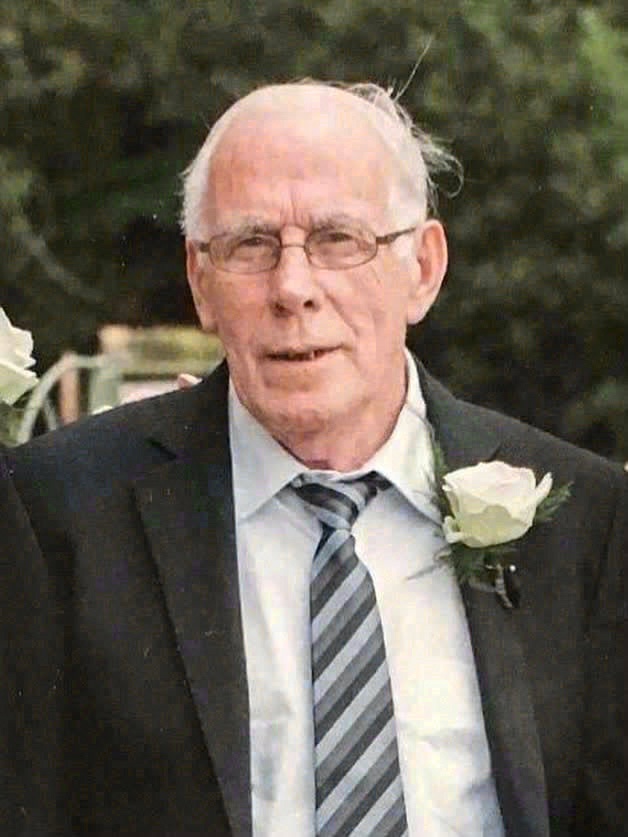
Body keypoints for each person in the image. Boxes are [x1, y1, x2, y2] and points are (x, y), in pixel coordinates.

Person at [1, 80, 626, 836]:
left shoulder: (587, 523)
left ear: (423, 268)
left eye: (339, 240)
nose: (293, 288)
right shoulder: (57, 513)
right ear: (201, 282)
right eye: (250, 245)